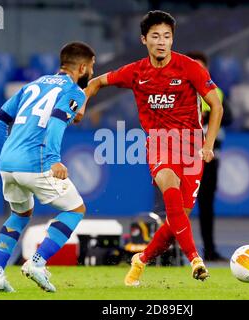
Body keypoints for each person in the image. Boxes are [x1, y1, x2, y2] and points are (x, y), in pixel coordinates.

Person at [85, 10, 223, 286]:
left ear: (173, 40)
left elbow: (216, 105)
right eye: (156, 36)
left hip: (191, 149)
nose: (162, 42)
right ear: (144, 40)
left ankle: (141, 259)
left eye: (167, 36)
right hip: (159, 145)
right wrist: (81, 104)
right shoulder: (135, 72)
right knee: (169, 187)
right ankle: (196, 259)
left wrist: (208, 145)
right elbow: (96, 82)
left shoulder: (190, 68)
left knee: (176, 222)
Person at [0, 42, 95, 293]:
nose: (91, 71)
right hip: (37, 162)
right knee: (75, 209)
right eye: (91, 66)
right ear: (82, 67)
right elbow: (56, 122)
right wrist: (54, 159)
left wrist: (4, 154)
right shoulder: (73, 91)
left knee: (20, 214)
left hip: (8, 163)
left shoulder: (33, 84)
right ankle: (37, 262)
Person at [186, 51, 233, 262]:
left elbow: (228, 116)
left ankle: (210, 250)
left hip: (207, 158)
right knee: (176, 206)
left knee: (206, 206)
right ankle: (169, 250)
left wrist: (207, 116)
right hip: (182, 157)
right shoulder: (176, 91)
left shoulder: (215, 93)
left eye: (201, 67)